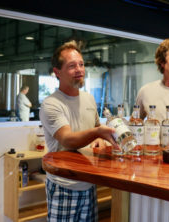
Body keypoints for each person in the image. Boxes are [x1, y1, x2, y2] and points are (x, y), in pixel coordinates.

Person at [39, 40, 117, 221]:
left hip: (88, 182)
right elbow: (67, 139)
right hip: (64, 185)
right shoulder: (51, 104)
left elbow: (96, 128)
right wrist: (97, 133)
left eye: (81, 64)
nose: (80, 70)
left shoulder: (89, 99)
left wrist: (100, 138)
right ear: (57, 72)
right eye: (72, 66)